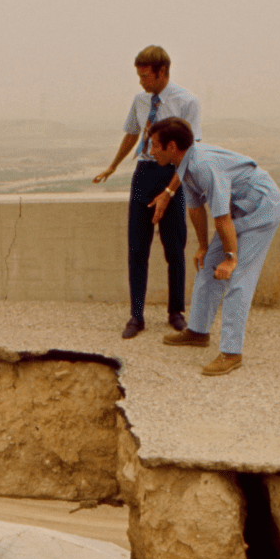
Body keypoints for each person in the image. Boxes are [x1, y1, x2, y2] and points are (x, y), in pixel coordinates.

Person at [146, 117, 280, 376]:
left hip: (260, 209)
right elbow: (196, 208)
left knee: (239, 277)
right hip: (238, 211)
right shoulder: (184, 164)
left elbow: (220, 217)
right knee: (208, 265)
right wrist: (202, 246)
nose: (150, 151)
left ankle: (232, 353)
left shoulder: (203, 166)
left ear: (172, 146)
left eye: (155, 145)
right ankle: (198, 332)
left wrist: (231, 258)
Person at [93, 45, 200, 339]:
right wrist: (113, 166)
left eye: (146, 76)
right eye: (139, 76)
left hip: (173, 175)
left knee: (174, 248)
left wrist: (170, 190)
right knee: (137, 249)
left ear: (162, 72)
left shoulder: (187, 101)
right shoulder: (140, 100)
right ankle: (136, 316)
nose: (141, 82)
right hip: (144, 174)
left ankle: (175, 312)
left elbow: (191, 152)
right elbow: (132, 133)